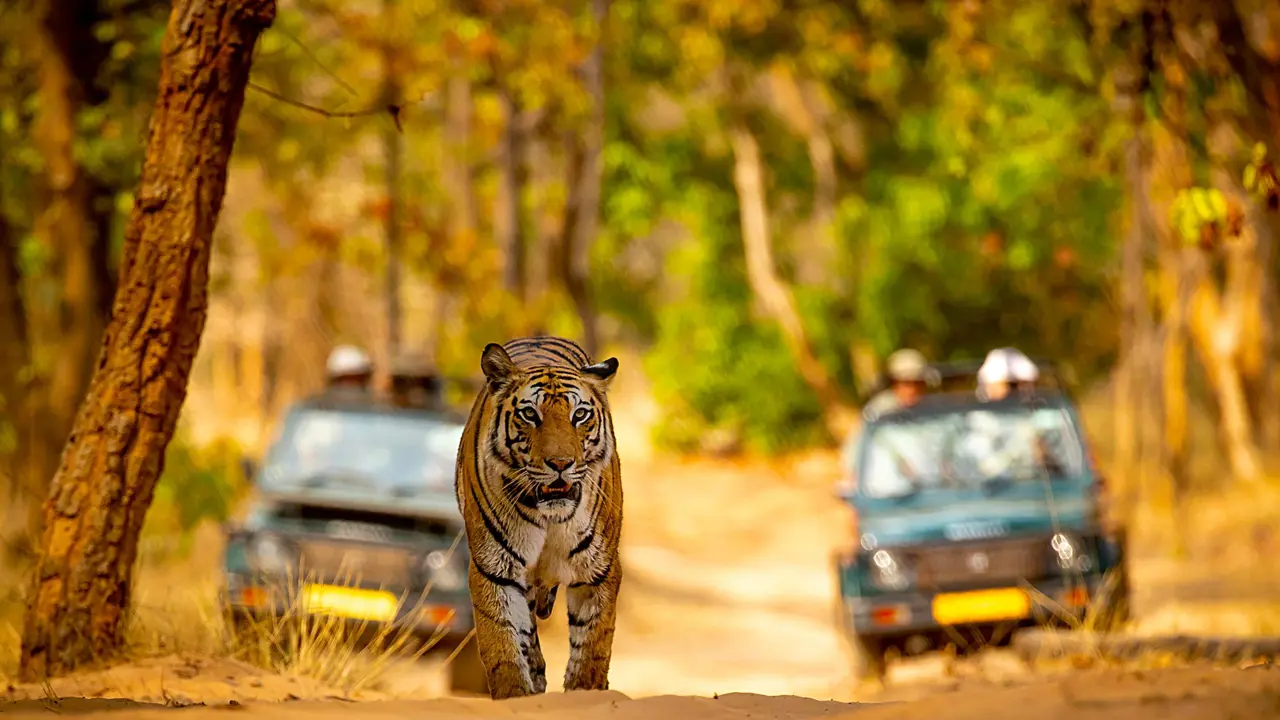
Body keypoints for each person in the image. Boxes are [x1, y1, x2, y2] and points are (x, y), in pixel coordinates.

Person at [836, 348, 930, 499]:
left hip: (929, 487)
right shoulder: (878, 412)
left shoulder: (933, 410)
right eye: (906, 383)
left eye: (917, 382)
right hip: (889, 491)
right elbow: (855, 450)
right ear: (894, 383)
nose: (912, 389)